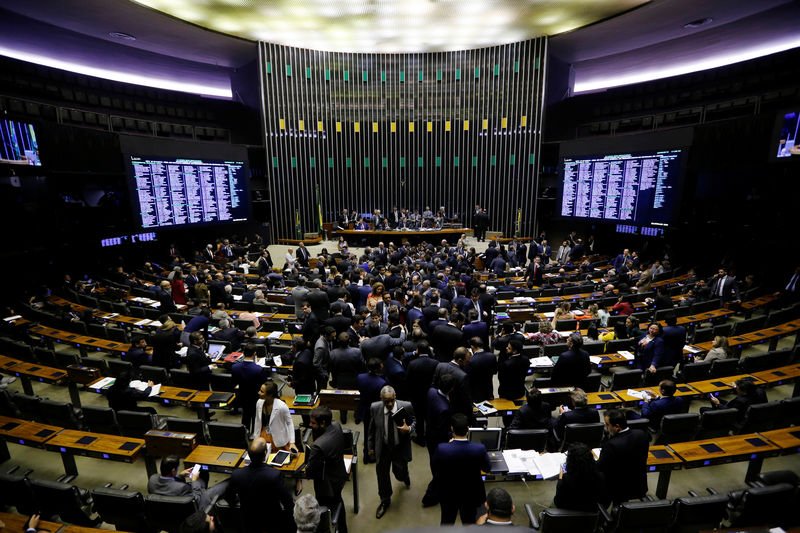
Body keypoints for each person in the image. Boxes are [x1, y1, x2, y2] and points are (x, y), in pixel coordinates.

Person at [225, 438, 294, 533]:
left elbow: (228, 496)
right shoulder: (274, 475)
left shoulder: (237, 475)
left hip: (248, 522)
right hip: (272, 522)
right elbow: (288, 502)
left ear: (248, 455)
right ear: (265, 453)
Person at [432, 413, 491, 525]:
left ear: (452, 429)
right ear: (468, 429)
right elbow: (487, 468)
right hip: (471, 494)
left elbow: (435, 468)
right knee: (469, 522)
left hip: (448, 493)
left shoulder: (442, 449)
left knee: (447, 522)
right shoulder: (479, 449)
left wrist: (449, 446)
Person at [368, 385, 415, 519]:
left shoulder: (406, 406)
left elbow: (414, 421)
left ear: (395, 397)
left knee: (399, 473)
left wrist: (410, 429)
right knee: (382, 475)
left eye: (391, 401)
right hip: (382, 448)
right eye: (385, 401)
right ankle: (385, 500)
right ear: (380, 399)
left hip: (399, 448)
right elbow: (371, 429)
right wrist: (370, 447)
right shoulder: (375, 408)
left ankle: (404, 475)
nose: (389, 404)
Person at [306, 407, 348, 533]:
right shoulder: (336, 425)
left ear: (323, 423)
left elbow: (310, 471)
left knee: (325, 508)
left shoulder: (318, 445)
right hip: (339, 474)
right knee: (338, 500)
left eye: (313, 423)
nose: (310, 425)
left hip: (327, 485)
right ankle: (343, 528)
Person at [596, 409, 649, 505]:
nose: (606, 427)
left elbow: (601, 467)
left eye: (607, 425)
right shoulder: (641, 434)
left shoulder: (611, 445)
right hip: (638, 483)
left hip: (618, 488)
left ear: (617, 427)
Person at [148, 455, 228, 511]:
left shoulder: (152, 479)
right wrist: (194, 481)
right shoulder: (182, 488)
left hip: (167, 507)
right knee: (228, 483)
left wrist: (180, 476)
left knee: (202, 473)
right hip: (198, 501)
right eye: (177, 468)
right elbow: (197, 500)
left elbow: (167, 484)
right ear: (173, 471)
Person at [553, 443, 610, 512]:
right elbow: (605, 503)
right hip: (591, 517)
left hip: (569, 515)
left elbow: (558, 502)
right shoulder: (601, 477)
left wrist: (560, 479)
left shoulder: (566, 479)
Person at [356, 357, 387, 460]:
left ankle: (366, 454)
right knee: (374, 432)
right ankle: (371, 453)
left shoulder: (360, 377)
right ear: (378, 368)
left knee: (366, 431)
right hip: (375, 410)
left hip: (364, 408)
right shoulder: (381, 382)